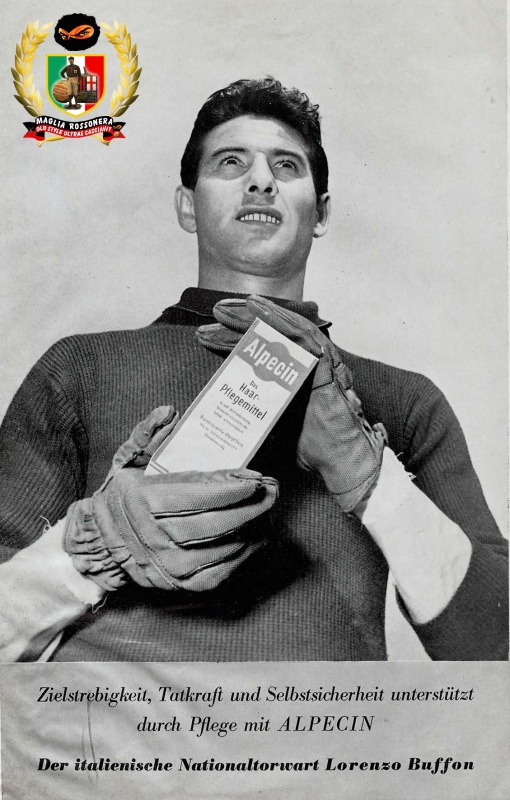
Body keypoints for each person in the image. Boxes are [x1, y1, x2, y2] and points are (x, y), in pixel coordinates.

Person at [0, 78, 506, 662]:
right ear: (187, 205)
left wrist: (372, 479)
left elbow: (497, 650)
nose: (261, 180)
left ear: (320, 212)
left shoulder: (405, 400)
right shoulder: (79, 368)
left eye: (286, 166)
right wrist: (94, 545)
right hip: (114, 727)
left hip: (325, 727)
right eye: (231, 162)